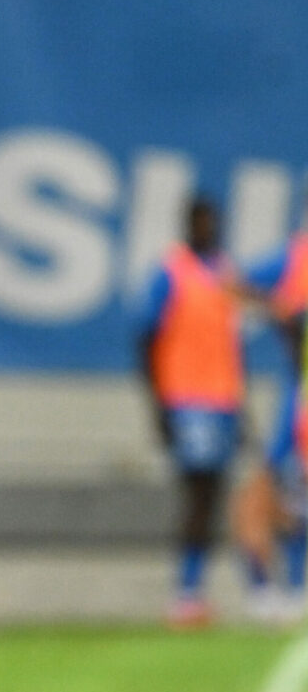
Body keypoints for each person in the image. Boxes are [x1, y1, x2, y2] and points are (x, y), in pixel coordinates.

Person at [137, 197, 245, 629]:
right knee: (196, 492)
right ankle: (183, 592)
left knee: (214, 493)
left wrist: (243, 410)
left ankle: (195, 589)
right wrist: (158, 404)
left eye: (213, 222)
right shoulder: (170, 271)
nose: (209, 229)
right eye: (201, 222)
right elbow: (145, 337)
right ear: (187, 225)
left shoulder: (223, 272)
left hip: (223, 400)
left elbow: (229, 345)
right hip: (186, 397)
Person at [234, 219, 308, 624]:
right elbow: (233, 281)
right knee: (271, 490)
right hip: (298, 399)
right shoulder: (295, 257)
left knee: (293, 497)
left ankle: (291, 585)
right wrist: (276, 305)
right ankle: (264, 584)